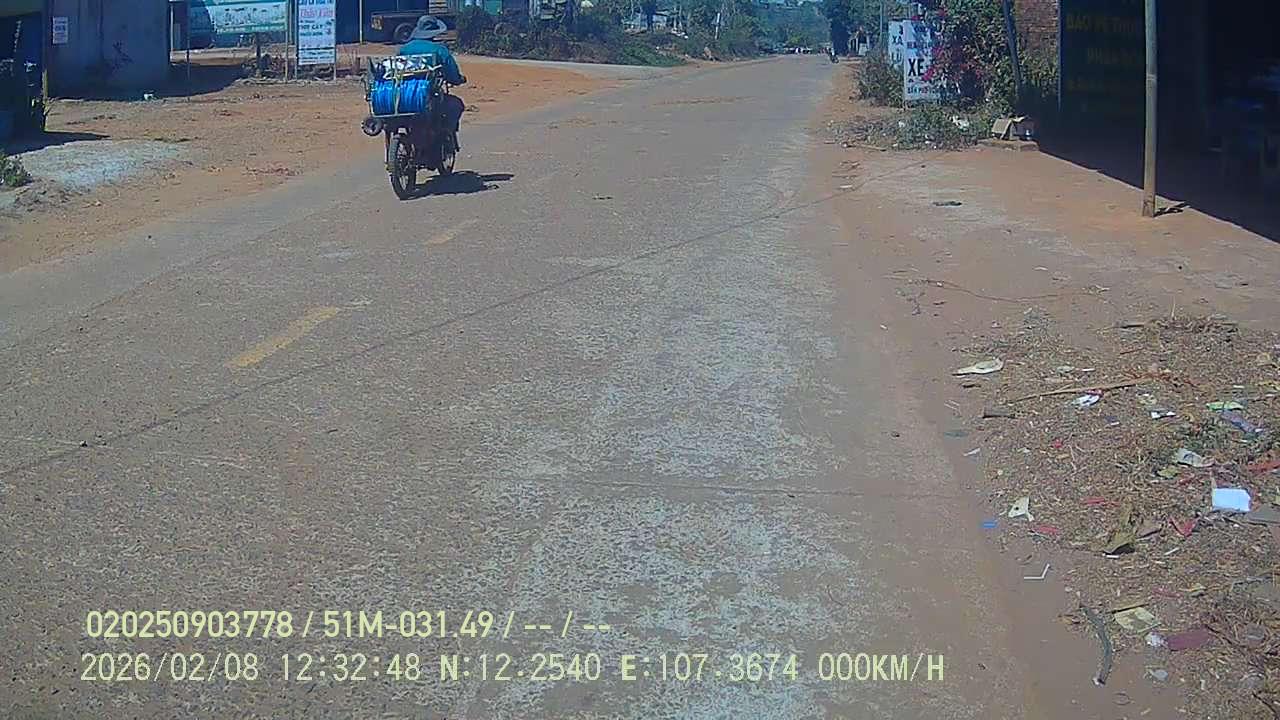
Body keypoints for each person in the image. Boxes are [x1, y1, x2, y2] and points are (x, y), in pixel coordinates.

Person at [398, 16, 466, 140]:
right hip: (429, 98)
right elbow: (452, 73)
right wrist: (458, 79)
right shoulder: (439, 50)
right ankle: (446, 134)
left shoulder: (404, 49)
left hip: (404, 99)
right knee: (456, 105)